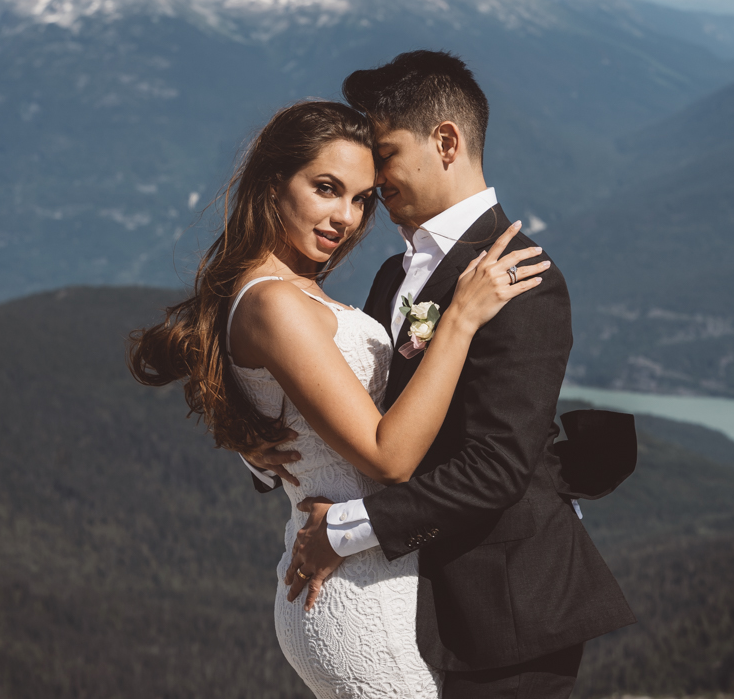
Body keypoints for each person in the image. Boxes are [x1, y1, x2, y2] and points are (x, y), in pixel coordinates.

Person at [246, 51, 635, 699]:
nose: (374, 175)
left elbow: (497, 466)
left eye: (385, 152)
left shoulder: (522, 279)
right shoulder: (393, 275)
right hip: (412, 601)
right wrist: (275, 454)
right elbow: (364, 410)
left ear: (446, 142)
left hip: (507, 611)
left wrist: (342, 531)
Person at [129, 99, 549, 698]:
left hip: (368, 578)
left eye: (360, 199)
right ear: (273, 183)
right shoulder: (275, 302)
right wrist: (459, 318)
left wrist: (263, 448)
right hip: (354, 597)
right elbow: (389, 457)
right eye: (327, 189)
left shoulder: (284, 291)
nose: (345, 218)